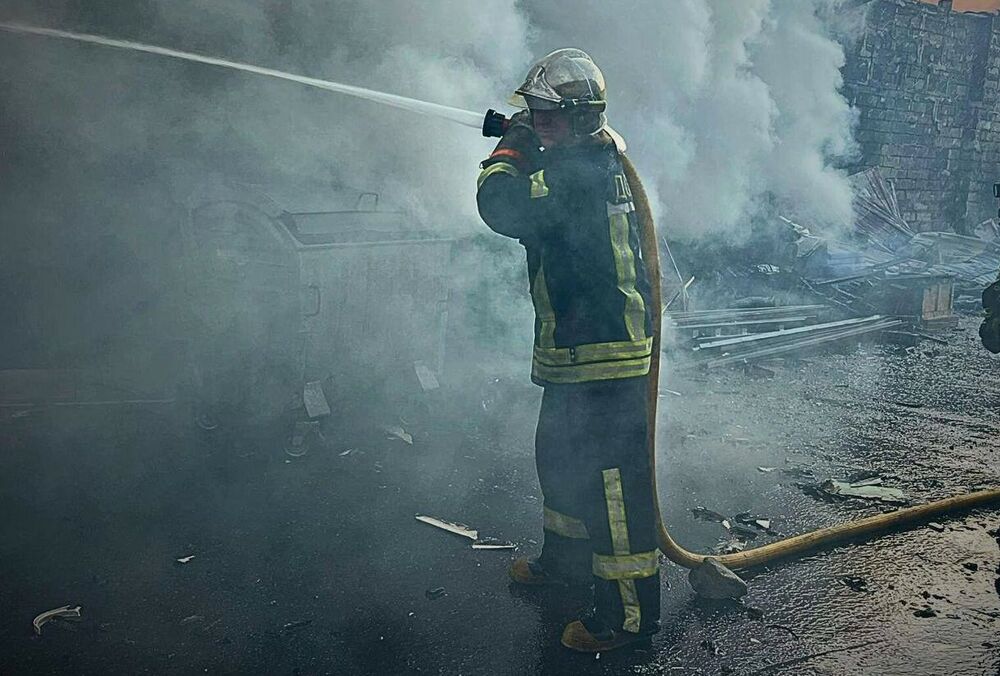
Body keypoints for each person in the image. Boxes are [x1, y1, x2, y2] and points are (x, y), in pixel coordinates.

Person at [476, 48, 661, 652]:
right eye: (531, 113)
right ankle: (566, 566)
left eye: (547, 116)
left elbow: (500, 206)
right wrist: (533, 142)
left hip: (604, 355)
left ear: (581, 118)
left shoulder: (576, 173)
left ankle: (629, 620)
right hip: (575, 351)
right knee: (559, 459)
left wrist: (510, 149)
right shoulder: (583, 158)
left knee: (611, 488)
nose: (535, 122)